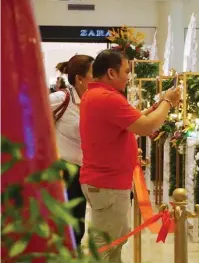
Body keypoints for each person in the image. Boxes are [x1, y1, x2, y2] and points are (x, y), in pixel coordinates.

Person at [79, 50, 180, 262]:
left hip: (106, 183)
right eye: (126, 71)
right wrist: (168, 102)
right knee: (104, 246)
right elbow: (146, 127)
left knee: (114, 242)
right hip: (108, 184)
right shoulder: (107, 98)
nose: (128, 77)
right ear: (111, 73)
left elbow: (130, 120)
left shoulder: (95, 94)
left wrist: (156, 105)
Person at [49, 54, 94, 249]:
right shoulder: (61, 98)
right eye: (94, 73)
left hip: (83, 172)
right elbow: (29, 113)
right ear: (79, 78)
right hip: (62, 171)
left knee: (78, 224)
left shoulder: (93, 102)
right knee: (63, 223)